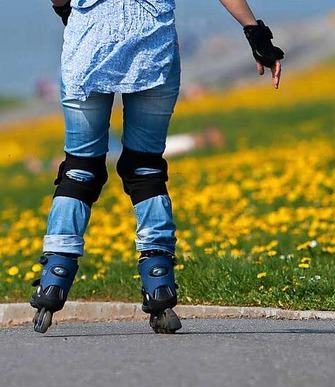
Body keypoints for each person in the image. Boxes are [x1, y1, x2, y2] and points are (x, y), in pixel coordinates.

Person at [30, 0, 284, 334]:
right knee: (145, 169)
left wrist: (67, 12)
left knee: (80, 169)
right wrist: (256, 33)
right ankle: (159, 283)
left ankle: (55, 279)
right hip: (152, 44)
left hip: (88, 42)